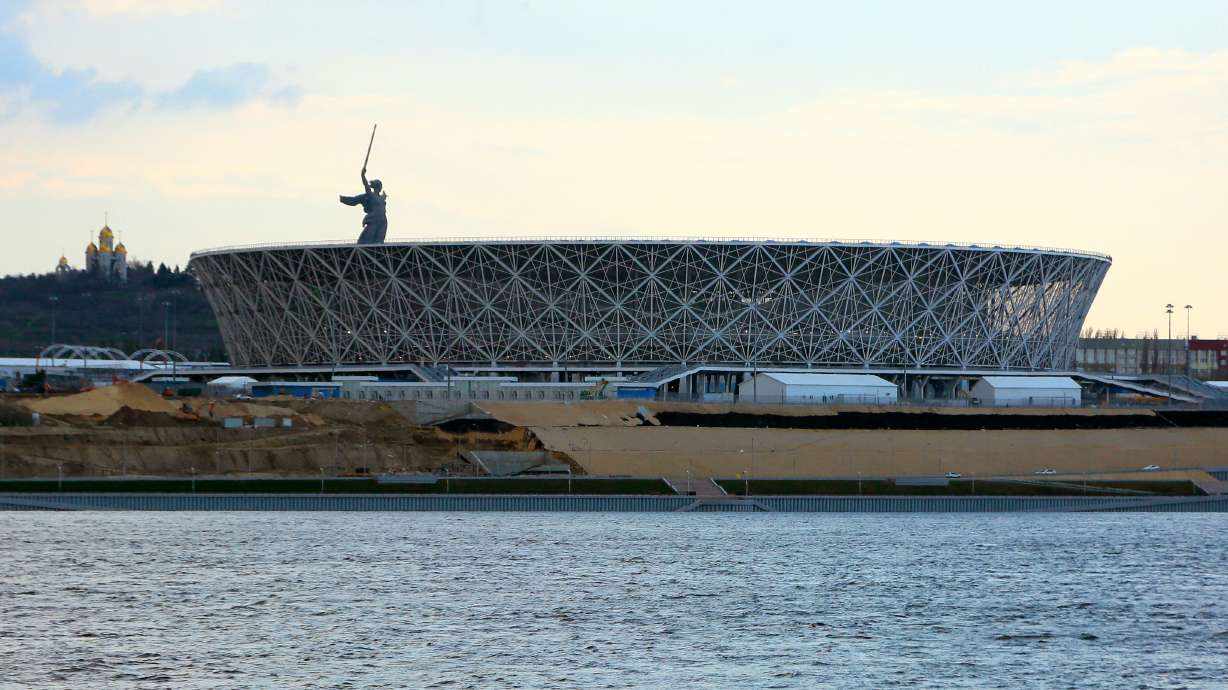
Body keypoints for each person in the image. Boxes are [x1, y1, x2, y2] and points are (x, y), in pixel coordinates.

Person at [339, 166, 387, 244]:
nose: (379, 188)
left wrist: (384, 196)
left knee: (379, 242)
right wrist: (363, 175)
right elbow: (366, 185)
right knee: (367, 240)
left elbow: (382, 201)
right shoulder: (371, 195)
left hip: (382, 221)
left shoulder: (381, 198)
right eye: (378, 186)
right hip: (373, 220)